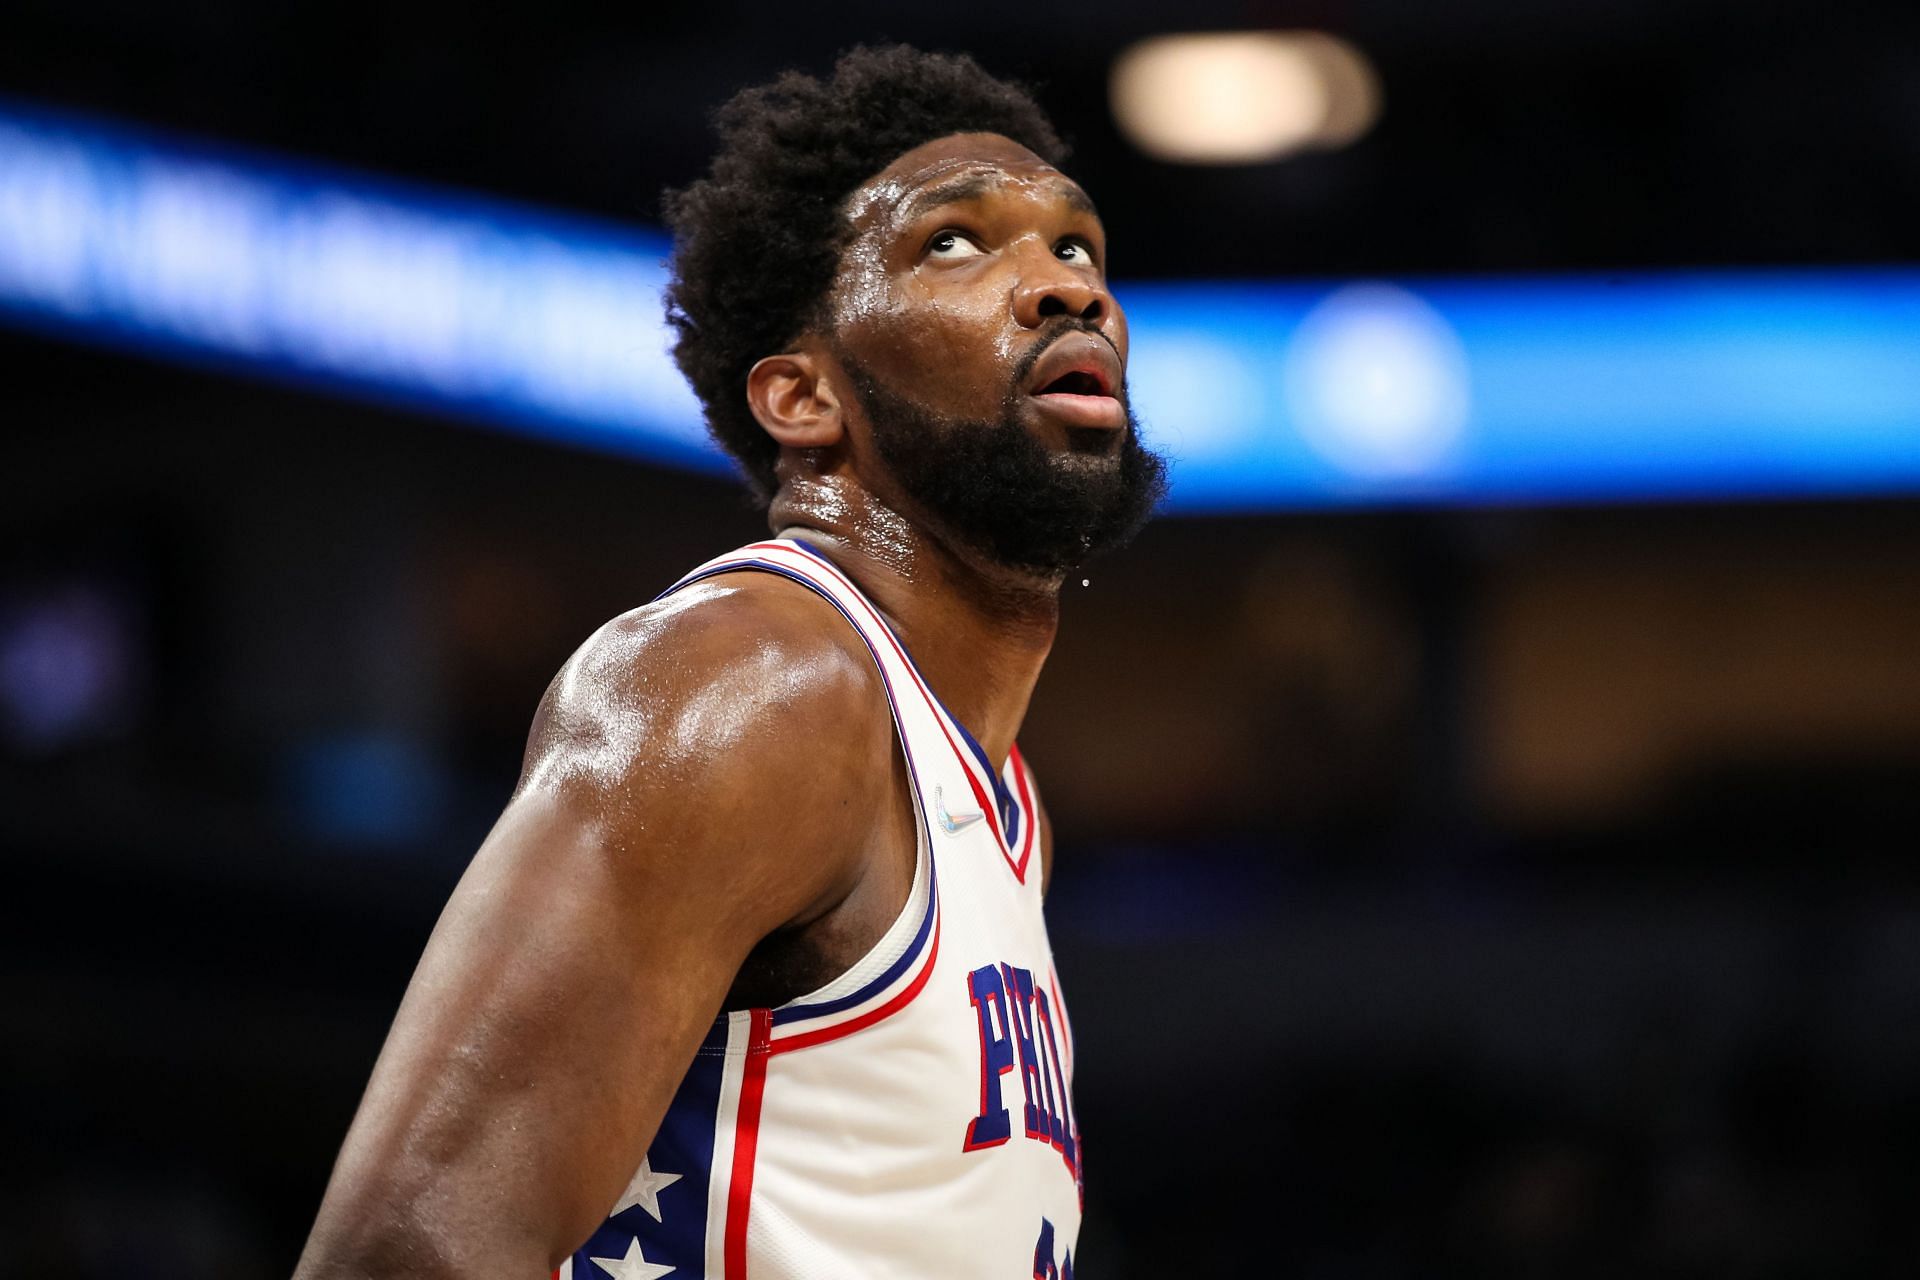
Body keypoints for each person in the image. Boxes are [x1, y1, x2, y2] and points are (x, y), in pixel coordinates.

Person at [294, 44, 1165, 1280]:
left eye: (1076, 247)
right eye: (957, 245)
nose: (1059, 287)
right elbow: (405, 1250)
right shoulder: (751, 683)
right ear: (804, 398)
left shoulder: (1003, 804)